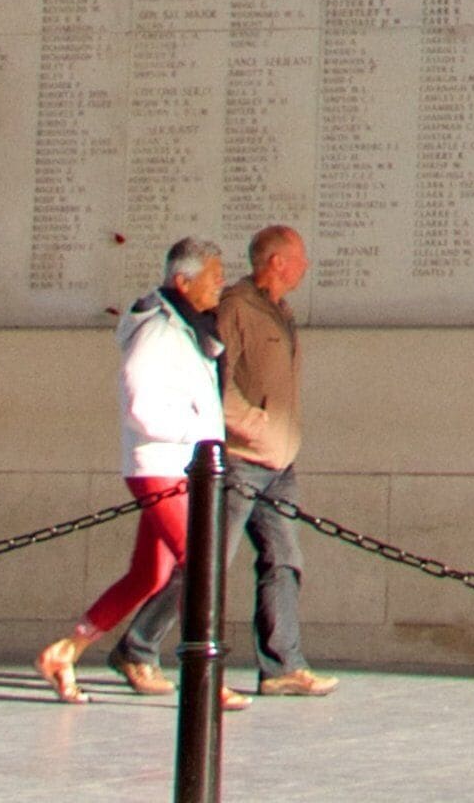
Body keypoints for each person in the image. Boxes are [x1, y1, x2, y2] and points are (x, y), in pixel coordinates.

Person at [107, 225, 338, 699]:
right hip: (238, 460)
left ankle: (282, 666)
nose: (306, 266)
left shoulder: (280, 311)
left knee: (284, 560)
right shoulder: (236, 307)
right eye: (299, 258)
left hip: (278, 462)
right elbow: (215, 377)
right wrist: (248, 422)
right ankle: (140, 645)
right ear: (276, 261)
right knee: (205, 562)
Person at [37, 238, 248, 708]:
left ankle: (66, 650)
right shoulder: (157, 332)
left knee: (150, 574)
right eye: (214, 275)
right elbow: (140, 403)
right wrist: (195, 436)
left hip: (177, 465)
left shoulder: (187, 329)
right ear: (183, 281)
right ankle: (206, 675)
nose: (221, 283)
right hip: (161, 465)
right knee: (202, 565)